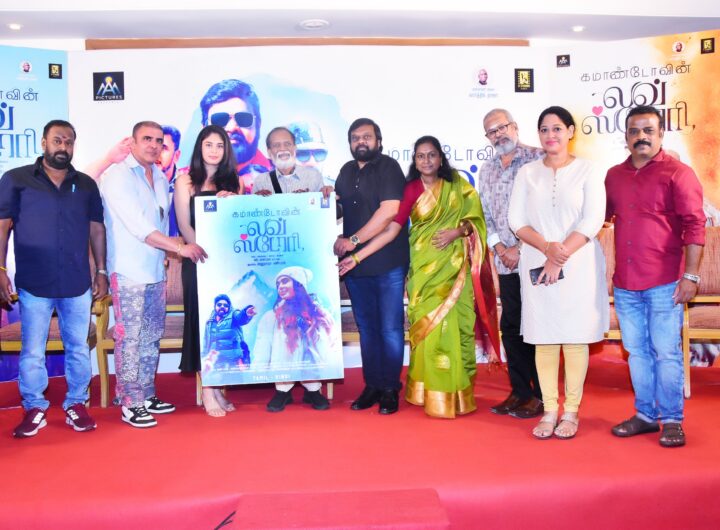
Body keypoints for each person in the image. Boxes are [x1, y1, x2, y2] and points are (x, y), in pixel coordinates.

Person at [339, 135, 499, 418]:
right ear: (414, 160)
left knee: (455, 327)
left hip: (455, 269)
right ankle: (430, 392)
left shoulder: (458, 186)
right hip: (424, 272)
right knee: (428, 329)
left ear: (440, 158)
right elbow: (392, 229)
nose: (426, 160)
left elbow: (476, 222)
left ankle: (457, 394)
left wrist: (457, 232)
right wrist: (357, 256)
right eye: (420, 156)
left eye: (431, 154)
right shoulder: (410, 189)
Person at [0, 120, 107, 438]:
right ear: (44, 143)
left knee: (78, 348)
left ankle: (76, 403)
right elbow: (2, 226)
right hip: (35, 282)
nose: (63, 147)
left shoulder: (86, 184)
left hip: (76, 283)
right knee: (33, 350)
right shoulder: (16, 179)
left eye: (69, 142)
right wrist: (0, 269)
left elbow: (96, 229)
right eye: (57, 140)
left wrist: (101, 270)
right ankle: (34, 406)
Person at [606, 105, 705, 448]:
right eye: (634, 131)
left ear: (661, 134)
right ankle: (646, 415)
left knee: (666, 352)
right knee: (637, 352)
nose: (641, 137)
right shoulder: (613, 176)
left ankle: (673, 420)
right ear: (626, 137)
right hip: (626, 283)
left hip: (666, 283)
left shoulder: (679, 173)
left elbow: (695, 226)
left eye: (648, 130)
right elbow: (596, 217)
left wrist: (691, 276)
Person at [508, 106, 608, 440]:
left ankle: (571, 411)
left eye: (557, 129)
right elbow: (516, 220)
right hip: (537, 259)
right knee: (544, 336)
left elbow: (593, 219)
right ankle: (550, 409)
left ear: (570, 132)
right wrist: (547, 248)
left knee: (575, 337)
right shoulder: (527, 173)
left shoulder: (588, 170)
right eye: (544, 129)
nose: (550, 135)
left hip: (577, 263)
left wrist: (560, 254)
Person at [100, 121, 207, 428]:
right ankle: (130, 402)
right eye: (146, 139)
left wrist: (167, 254)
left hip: (155, 269)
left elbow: (159, 221)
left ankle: (146, 394)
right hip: (128, 271)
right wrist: (179, 247)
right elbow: (139, 227)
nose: (153, 145)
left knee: (150, 335)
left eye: (159, 140)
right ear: (132, 142)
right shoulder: (117, 175)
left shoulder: (159, 176)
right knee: (130, 338)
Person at [253, 126, 333, 412]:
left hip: (305, 252)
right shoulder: (260, 180)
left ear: (295, 148)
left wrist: (323, 197)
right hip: (276, 253)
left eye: (287, 143)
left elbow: (321, 216)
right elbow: (253, 218)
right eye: (276, 145)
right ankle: (282, 389)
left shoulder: (313, 176)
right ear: (269, 151)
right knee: (281, 332)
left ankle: (313, 389)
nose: (282, 149)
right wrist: (257, 202)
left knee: (310, 330)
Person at [333, 118, 408, 415]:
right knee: (367, 329)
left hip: (387, 262)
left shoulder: (389, 167)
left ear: (378, 140)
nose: (360, 141)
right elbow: (338, 208)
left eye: (366, 136)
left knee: (389, 329)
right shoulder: (346, 171)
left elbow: (389, 212)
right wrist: (322, 199)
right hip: (356, 268)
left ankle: (390, 388)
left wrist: (353, 241)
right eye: (355, 137)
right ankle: (372, 385)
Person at [478, 108, 545, 419]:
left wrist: (520, 247)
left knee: (537, 328)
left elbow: (546, 211)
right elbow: (485, 215)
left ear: (515, 126)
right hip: (504, 261)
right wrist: (500, 247)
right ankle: (520, 391)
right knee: (511, 327)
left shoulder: (538, 159)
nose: (498, 134)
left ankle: (542, 395)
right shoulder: (487, 169)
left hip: (535, 259)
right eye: (492, 131)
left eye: (502, 127)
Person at [174, 124, 244, 417]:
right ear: (199, 148)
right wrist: (201, 254)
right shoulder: (185, 181)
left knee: (221, 325)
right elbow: (184, 225)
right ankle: (207, 389)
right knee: (201, 323)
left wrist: (233, 203)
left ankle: (216, 388)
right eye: (208, 144)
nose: (214, 150)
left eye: (219, 145)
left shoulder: (235, 183)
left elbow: (237, 225)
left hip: (225, 264)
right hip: (197, 262)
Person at [253, 267, 337, 411]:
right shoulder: (272, 316)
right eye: (278, 284)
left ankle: (313, 391)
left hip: (311, 367)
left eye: (285, 281)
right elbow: (263, 345)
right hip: (282, 370)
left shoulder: (317, 313)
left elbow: (328, 343)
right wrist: (258, 369)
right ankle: (283, 392)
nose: (280, 286)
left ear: (299, 283)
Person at [199, 79, 272, 193]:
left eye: (243, 118)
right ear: (204, 128)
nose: (232, 127)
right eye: (220, 119)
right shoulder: (186, 181)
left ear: (258, 125)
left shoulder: (282, 177)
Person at [203, 294, 255, 370]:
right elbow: (206, 344)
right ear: (215, 306)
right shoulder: (209, 323)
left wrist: (246, 314)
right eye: (219, 305)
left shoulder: (233, 315)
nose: (222, 307)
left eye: (225, 305)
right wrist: (203, 361)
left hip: (234, 364)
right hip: (215, 365)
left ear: (229, 307)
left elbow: (240, 318)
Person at [158, 125, 182, 237]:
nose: (157, 153)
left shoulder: (187, 186)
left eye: (163, 148)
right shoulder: (138, 182)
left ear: (176, 156)